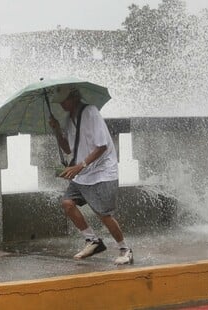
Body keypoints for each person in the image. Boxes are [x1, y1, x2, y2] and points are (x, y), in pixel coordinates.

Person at [49, 85, 133, 265]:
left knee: (103, 214)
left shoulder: (91, 112)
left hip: (102, 171)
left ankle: (125, 249)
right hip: (83, 173)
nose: (62, 105)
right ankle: (93, 240)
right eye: (60, 102)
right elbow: (68, 148)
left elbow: (102, 146)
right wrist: (56, 130)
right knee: (67, 203)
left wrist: (81, 165)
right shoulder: (67, 119)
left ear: (73, 97)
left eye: (64, 101)